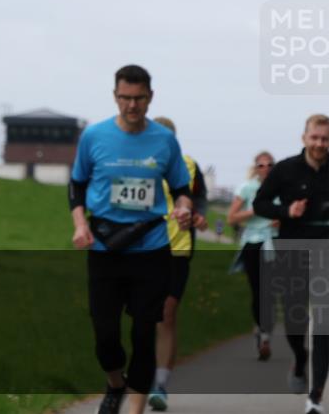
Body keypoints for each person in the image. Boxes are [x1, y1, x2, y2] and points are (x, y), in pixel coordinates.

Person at [69, 65, 194, 414]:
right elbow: (76, 185)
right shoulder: (94, 137)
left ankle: (135, 409)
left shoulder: (164, 140)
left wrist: (183, 208)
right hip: (105, 246)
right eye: (125, 98)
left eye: (139, 99)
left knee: (143, 334)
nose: (132, 106)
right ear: (115, 97)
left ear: (150, 97)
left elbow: (183, 190)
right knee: (105, 336)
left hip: (151, 248)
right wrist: (80, 224)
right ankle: (114, 384)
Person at [254, 114, 329, 414]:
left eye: (325, 138)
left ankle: (315, 397)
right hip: (293, 250)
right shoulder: (285, 170)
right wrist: (286, 210)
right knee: (295, 323)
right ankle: (300, 359)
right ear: (304, 138)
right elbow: (260, 203)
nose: (320, 144)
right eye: (315, 137)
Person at [146, 117, 209, 411]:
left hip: (177, 249)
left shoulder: (189, 165)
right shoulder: (138, 163)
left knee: (167, 315)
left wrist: (199, 215)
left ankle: (159, 383)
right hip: (141, 248)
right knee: (141, 315)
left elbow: (201, 198)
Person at [227, 151, 279, 361]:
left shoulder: (282, 188)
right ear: (256, 168)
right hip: (252, 243)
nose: (265, 168)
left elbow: (290, 213)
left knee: (270, 291)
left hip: (274, 242)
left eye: (269, 165)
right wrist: (254, 211)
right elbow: (231, 218)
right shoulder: (247, 188)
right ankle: (262, 332)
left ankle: (265, 330)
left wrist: (281, 218)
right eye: (261, 165)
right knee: (258, 290)